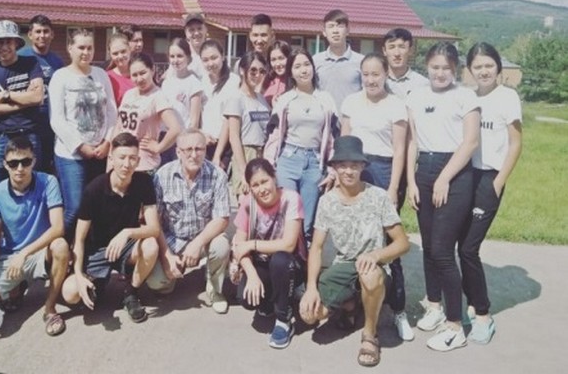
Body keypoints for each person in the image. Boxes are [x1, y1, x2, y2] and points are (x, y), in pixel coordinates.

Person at [300, 136, 410, 368]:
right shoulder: (327, 201)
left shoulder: (378, 196)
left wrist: (376, 256)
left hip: (374, 267)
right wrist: (310, 288)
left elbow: (402, 243)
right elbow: (316, 247)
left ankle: (370, 335)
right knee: (310, 315)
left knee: (369, 276)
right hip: (343, 265)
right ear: (334, 168)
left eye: (354, 165)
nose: (348, 171)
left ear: (362, 167)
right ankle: (350, 305)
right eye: (342, 165)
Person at [406, 42, 480, 351]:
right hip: (424, 169)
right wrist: (411, 180)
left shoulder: (466, 96)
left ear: (455, 69)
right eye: (434, 67)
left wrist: (445, 178)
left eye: (446, 68)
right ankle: (434, 305)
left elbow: (471, 142)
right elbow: (412, 142)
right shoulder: (416, 95)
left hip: (455, 173)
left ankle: (455, 325)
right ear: (427, 66)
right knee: (427, 246)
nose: (439, 73)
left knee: (442, 250)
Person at [340, 53, 413, 341]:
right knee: (353, 240)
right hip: (354, 169)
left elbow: (399, 150)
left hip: (382, 171)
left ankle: (398, 310)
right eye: (366, 74)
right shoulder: (351, 102)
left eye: (376, 74)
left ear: (385, 75)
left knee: (388, 243)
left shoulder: (395, 105)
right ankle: (353, 303)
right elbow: (343, 144)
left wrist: (393, 188)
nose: (371, 80)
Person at [0, 136, 70, 336]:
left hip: (40, 252)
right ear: (4, 164)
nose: (20, 168)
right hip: (10, 257)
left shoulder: (48, 182)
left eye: (25, 162)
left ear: (34, 161)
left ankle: (50, 308)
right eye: (13, 163)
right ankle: (14, 288)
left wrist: (24, 254)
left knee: (60, 246)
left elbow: (58, 227)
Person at [459, 42, 523, 344]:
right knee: (461, 245)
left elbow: (516, 143)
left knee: (469, 248)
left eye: (489, 65)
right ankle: (471, 304)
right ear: (469, 70)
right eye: (478, 66)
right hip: (465, 176)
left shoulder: (507, 97)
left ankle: (483, 314)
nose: (484, 71)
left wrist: (498, 182)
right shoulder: (468, 97)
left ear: (498, 66)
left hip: (489, 178)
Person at [61, 133, 160, 323]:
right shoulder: (94, 189)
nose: (126, 164)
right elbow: (79, 239)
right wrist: (78, 275)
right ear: (111, 158)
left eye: (132, 158)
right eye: (121, 157)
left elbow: (154, 228)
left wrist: (127, 232)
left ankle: (131, 293)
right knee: (70, 293)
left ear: (138, 161)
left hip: (126, 246)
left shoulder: (144, 182)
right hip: (97, 251)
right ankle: (97, 284)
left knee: (150, 246)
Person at [147, 129, 232, 314]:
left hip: (203, 239)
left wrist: (197, 244)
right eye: (188, 150)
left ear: (205, 150)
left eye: (199, 149)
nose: (194, 155)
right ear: (178, 152)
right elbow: (155, 222)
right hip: (172, 241)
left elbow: (222, 218)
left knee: (221, 246)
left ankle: (215, 289)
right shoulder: (162, 176)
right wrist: (166, 256)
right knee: (157, 282)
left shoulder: (218, 175)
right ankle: (174, 273)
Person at [48, 28, 118, 240]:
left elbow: (111, 111)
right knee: (76, 207)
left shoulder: (101, 75)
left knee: (94, 206)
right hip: (71, 155)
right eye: (81, 47)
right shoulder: (60, 77)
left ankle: (85, 250)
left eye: (90, 48)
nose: (86, 52)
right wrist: (81, 146)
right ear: (70, 48)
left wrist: (107, 142)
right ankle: (58, 247)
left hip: (99, 152)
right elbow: (57, 119)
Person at [264, 47, 338, 243]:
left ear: (313, 67)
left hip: (314, 163)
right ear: (291, 72)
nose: (303, 70)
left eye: (307, 64)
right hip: (288, 160)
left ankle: (304, 261)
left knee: (307, 221)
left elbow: (333, 138)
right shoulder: (285, 100)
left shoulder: (326, 100)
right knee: (287, 217)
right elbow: (273, 135)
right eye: (297, 66)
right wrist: (269, 165)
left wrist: (332, 169)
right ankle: (285, 259)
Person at [232, 158, 305, 349]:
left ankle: (284, 319)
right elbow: (239, 246)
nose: (262, 189)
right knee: (246, 299)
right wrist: (252, 276)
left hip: (289, 263)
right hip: (262, 263)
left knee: (280, 260)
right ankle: (271, 300)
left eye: (264, 181)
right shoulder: (248, 204)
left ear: (274, 178)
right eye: (255, 185)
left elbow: (288, 245)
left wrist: (252, 244)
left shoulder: (291, 199)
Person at [0, 20, 44, 187]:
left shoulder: (30, 63)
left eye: (8, 41)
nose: (4, 47)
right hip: (0, 136)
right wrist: (23, 102)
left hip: (28, 133)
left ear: (16, 43)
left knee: (31, 185)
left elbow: (37, 97)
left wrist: (6, 95)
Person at [113, 53, 181, 174]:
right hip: (123, 162)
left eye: (143, 73)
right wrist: (112, 155)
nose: (139, 79)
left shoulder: (158, 96)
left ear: (152, 70)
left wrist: (158, 147)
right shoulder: (129, 94)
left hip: (144, 165)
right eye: (134, 75)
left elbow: (175, 128)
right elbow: (119, 126)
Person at [18, 15, 65, 173]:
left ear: (52, 34)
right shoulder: (21, 57)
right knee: (30, 166)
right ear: (30, 35)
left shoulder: (57, 61)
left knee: (48, 167)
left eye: (46, 31)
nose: (42, 35)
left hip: (51, 123)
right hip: (28, 122)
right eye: (38, 31)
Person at [223, 51, 271, 196]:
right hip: (245, 153)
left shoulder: (262, 99)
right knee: (247, 202)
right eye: (253, 70)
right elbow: (234, 137)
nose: (257, 75)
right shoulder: (236, 98)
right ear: (242, 71)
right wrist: (244, 171)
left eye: (262, 71)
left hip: (262, 153)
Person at [159, 37, 202, 165]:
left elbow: (194, 121)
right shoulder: (166, 83)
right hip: (165, 137)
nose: (175, 60)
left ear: (188, 57)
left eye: (180, 56)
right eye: (172, 56)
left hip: (182, 139)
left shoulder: (194, 83)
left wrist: (187, 143)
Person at [312, 9, 363, 110]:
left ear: (348, 30)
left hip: (352, 118)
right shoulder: (315, 61)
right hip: (324, 118)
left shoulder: (361, 61)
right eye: (331, 26)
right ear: (324, 32)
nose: (335, 31)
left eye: (340, 26)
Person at [199, 39, 240, 164]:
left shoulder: (234, 82)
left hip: (225, 146)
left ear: (222, 56)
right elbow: (197, 115)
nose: (210, 63)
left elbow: (228, 120)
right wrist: (201, 134)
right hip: (203, 143)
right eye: (205, 60)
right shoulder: (201, 81)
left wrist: (218, 155)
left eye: (214, 58)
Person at [382, 28, 428, 99]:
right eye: (391, 47)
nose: (397, 53)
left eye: (402, 47)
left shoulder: (422, 84)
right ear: (384, 51)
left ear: (411, 50)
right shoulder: (376, 81)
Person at [106, 33, 135, 106]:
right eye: (115, 53)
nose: (120, 56)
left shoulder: (140, 73)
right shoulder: (107, 78)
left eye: (123, 51)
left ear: (129, 49)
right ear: (110, 54)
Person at [262, 40, 291, 107]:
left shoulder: (296, 82)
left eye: (281, 58)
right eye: (273, 60)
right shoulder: (267, 80)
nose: (277, 64)